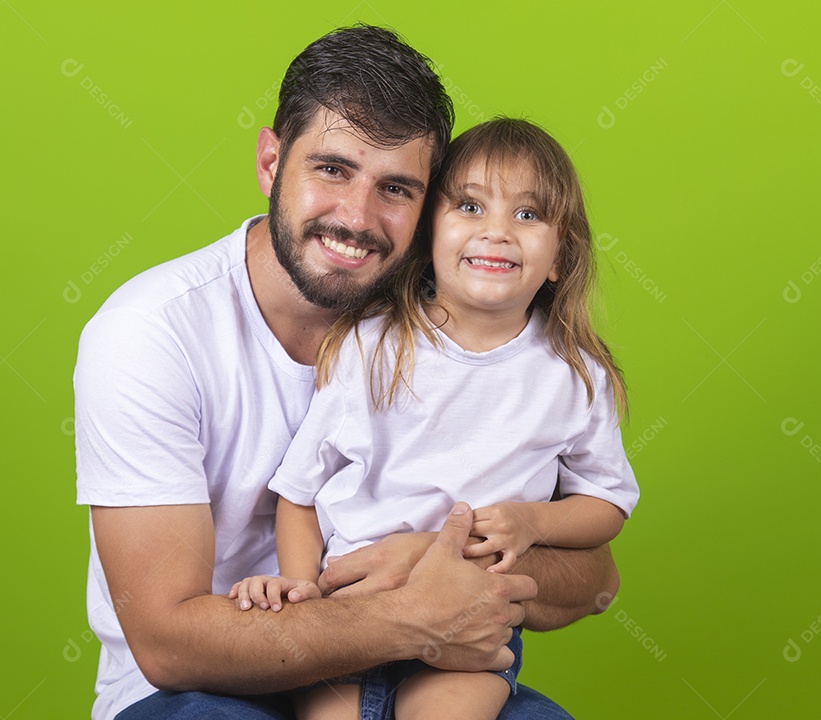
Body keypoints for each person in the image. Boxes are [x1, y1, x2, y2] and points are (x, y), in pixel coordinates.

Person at [74, 25, 618, 720]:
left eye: (396, 187)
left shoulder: (459, 330)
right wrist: (410, 610)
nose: (357, 217)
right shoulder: (150, 333)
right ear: (271, 163)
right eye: (332, 169)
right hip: (202, 692)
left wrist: (430, 555)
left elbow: (593, 579)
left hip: (430, 672)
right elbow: (170, 644)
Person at [230, 118, 639, 720]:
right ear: (428, 235)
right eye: (470, 206)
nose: (497, 232)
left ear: (561, 256)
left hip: (471, 619)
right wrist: (305, 592)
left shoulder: (573, 374)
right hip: (351, 606)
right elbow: (297, 494)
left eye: (528, 216)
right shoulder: (369, 348)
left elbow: (606, 506)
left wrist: (531, 522)